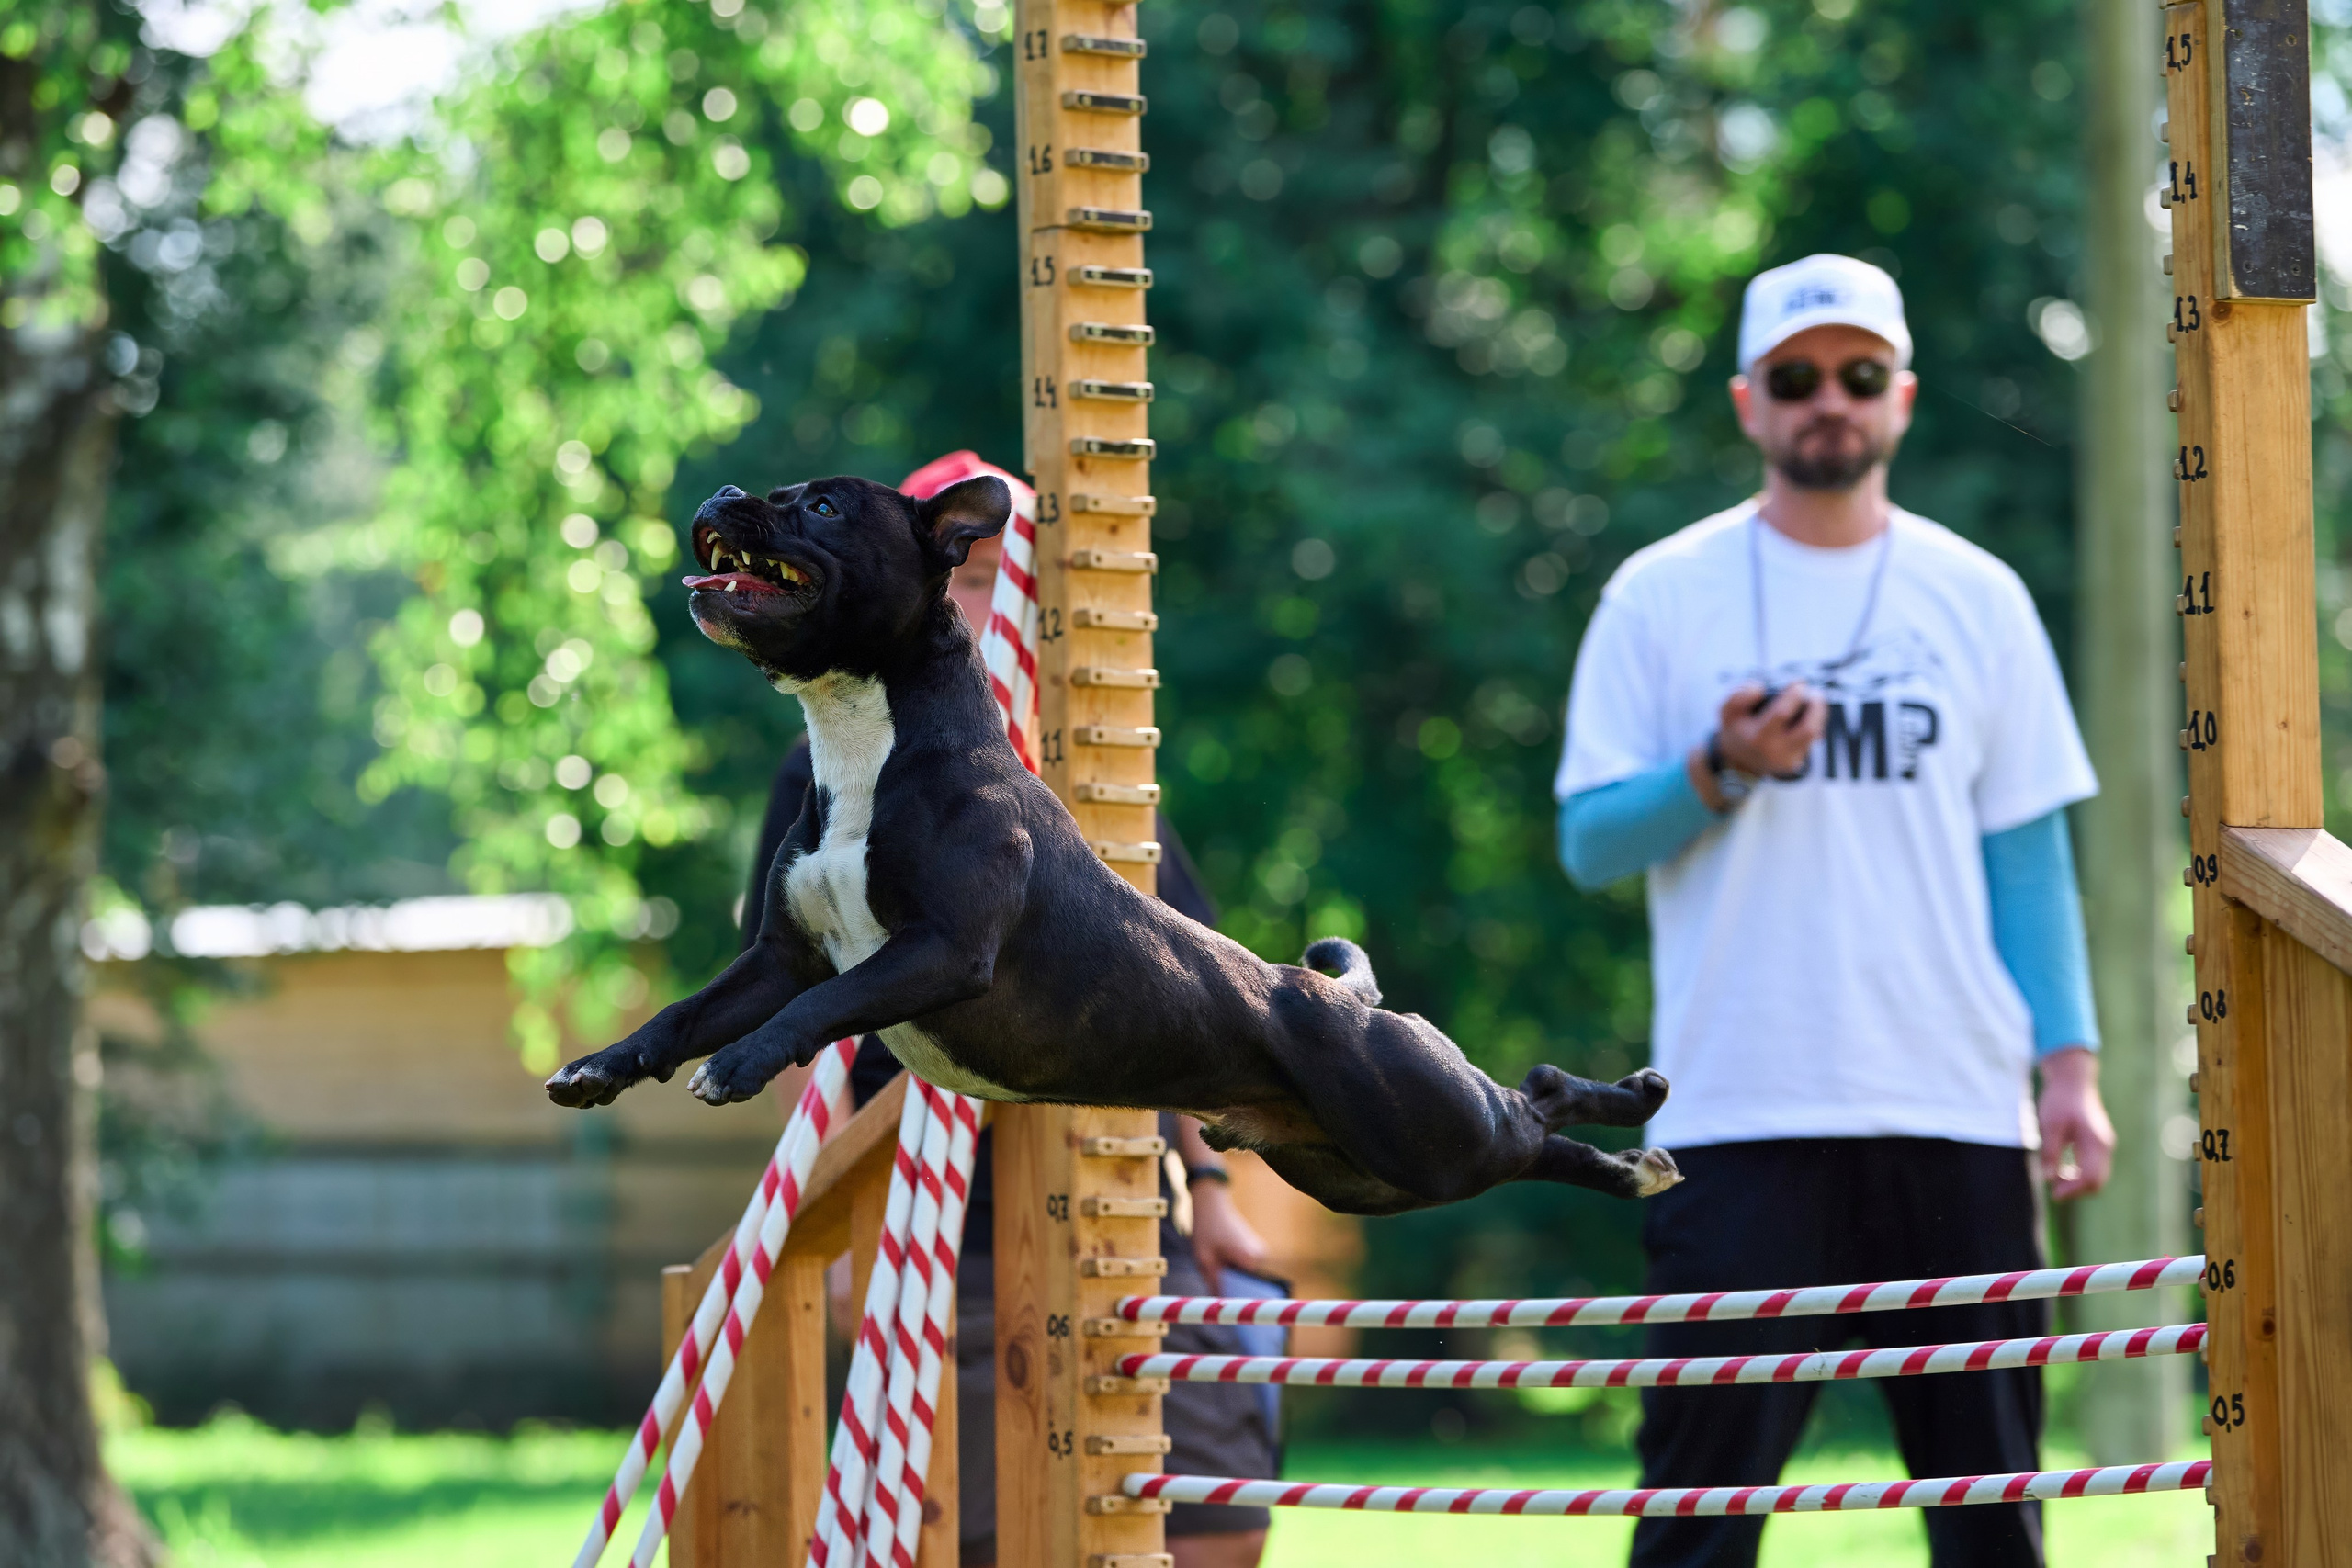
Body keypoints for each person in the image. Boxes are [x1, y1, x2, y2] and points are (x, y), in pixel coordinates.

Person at [1554, 254, 2116, 1568]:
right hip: (1736, 1110)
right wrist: (1718, 768)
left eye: (1860, 377)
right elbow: (1589, 839)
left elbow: (2028, 853)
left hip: (1958, 1110)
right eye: (1800, 379)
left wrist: (2072, 1070)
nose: (1831, 403)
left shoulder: (1979, 595)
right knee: (1696, 1530)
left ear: (1901, 397)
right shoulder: (1659, 590)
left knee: (1991, 1529)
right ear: (1750, 401)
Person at [748, 513, 1280, 1568]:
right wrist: (838, 1227)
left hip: (1127, 1211)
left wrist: (1210, 1191)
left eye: (997, 580)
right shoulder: (826, 775)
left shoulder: (1102, 774)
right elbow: (784, 1011)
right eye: (963, 580)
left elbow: (1189, 993)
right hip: (945, 1239)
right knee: (990, 1535)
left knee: (1221, 1521)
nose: (983, 607)